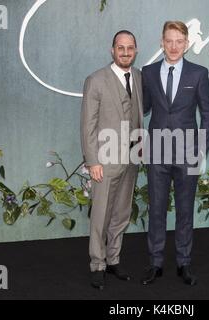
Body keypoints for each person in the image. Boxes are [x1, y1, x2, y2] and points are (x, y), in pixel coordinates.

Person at [141, 21, 209, 286]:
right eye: (169, 41)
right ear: (162, 42)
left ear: (186, 44)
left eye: (179, 41)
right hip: (157, 151)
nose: (173, 46)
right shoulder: (147, 73)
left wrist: (201, 149)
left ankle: (184, 263)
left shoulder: (198, 73)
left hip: (187, 153)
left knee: (185, 211)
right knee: (157, 210)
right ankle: (155, 264)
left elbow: (207, 113)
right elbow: (145, 107)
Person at [80, 30, 143, 290]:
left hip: (131, 159)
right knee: (101, 215)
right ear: (112, 50)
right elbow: (87, 125)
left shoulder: (139, 77)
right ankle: (97, 264)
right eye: (120, 47)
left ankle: (114, 259)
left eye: (130, 48)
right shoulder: (96, 80)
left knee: (121, 214)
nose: (125, 52)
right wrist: (92, 160)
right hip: (104, 162)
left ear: (136, 50)